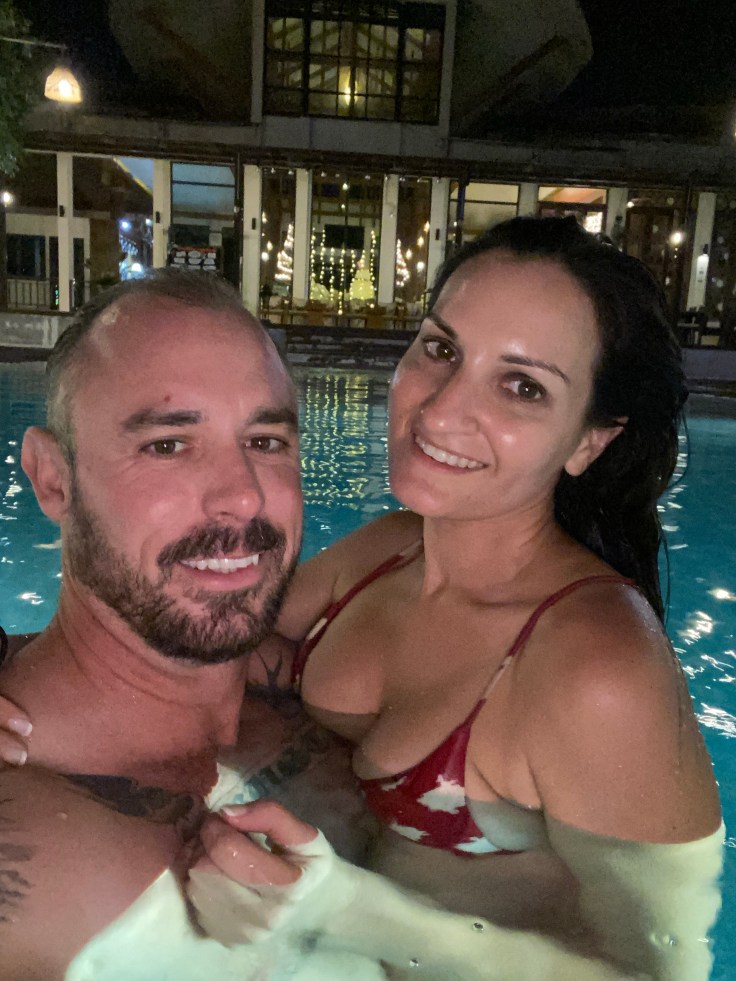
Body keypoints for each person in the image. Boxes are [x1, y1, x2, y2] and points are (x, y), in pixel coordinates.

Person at [0, 219, 724, 980]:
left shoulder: (599, 666)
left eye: (523, 386)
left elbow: (668, 968)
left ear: (588, 441)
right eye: (441, 349)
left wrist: (353, 912)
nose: (441, 411)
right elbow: (190, 625)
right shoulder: (388, 554)